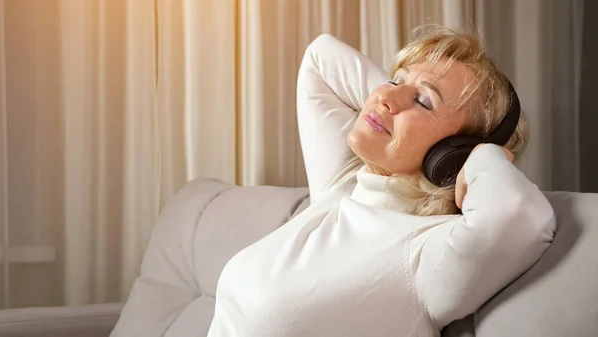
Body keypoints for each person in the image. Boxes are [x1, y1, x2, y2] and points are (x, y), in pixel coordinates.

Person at [205, 28, 555, 336]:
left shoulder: (425, 254)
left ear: (454, 150)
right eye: (396, 80)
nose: (385, 97)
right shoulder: (343, 189)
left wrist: (482, 156)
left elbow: (522, 216)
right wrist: (405, 92)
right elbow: (320, 58)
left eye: (423, 101)